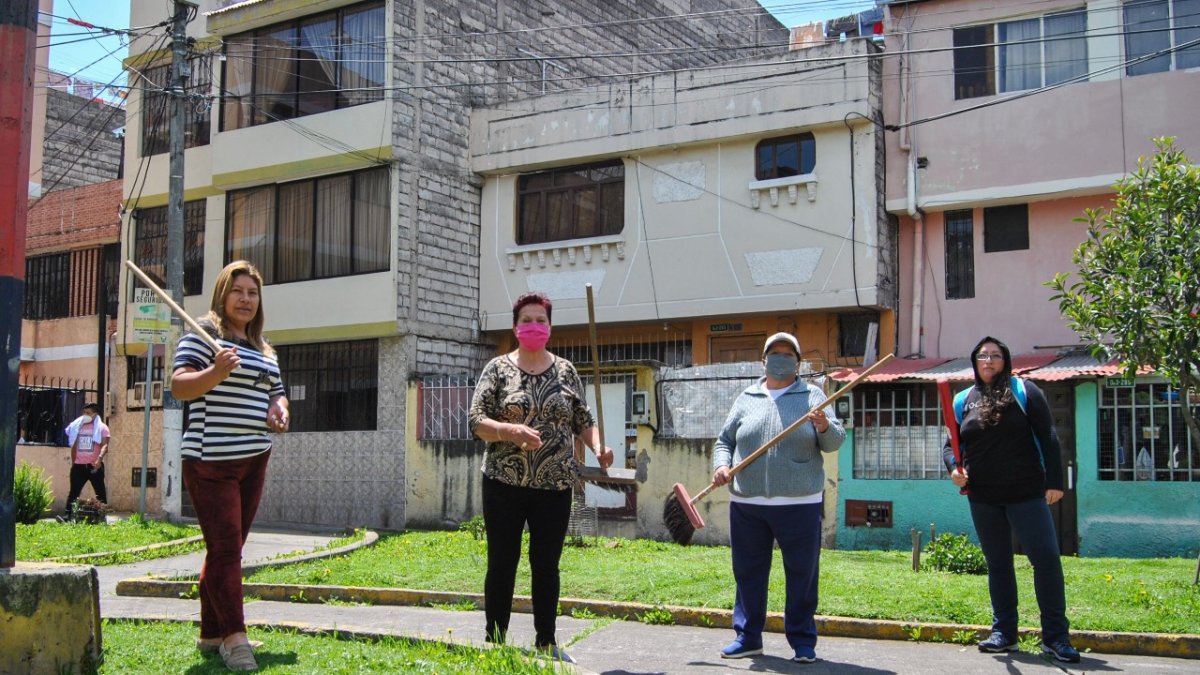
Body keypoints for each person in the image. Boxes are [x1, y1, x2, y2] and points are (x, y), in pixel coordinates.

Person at [468, 291, 614, 664]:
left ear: (550, 327)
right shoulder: (497, 369)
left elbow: (584, 420)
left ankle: (546, 641)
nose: (534, 325)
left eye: (541, 320)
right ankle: (495, 639)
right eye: (527, 319)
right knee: (502, 561)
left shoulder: (565, 370)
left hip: (555, 484)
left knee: (546, 564)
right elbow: (476, 421)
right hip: (503, 483)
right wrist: (509, 431)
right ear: (516, 327)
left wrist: (599, 447)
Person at [171, 260, 289, 672]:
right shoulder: (202, 336)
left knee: (228, 550)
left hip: (254, 457)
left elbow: (277, 392)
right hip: (210, 460)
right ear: (223, 294)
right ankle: (235, 639)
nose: (245, 299)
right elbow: (179, 386)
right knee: (225, 550)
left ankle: (209, 634)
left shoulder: (264, 349)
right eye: (238, 291)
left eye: (252, 293)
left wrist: (279, 409)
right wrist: (215, 371)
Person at [943, 336, 1079, 663]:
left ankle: (1056, 638)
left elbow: (1048, 436)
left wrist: (1054, 482)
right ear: (974, 362)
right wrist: (953, 469)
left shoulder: (1024, 392)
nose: (988, 361)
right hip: (983, 496)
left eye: (995, 355)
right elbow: (951, 446)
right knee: (999, 564)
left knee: (1045, 560)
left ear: (1005, 360)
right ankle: (1004, 633)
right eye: (982, 356)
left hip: (1026, 492)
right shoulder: (963, 399)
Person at [711, 332, 845, 664]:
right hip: (748, 503)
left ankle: (802, 640)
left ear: (798, 363)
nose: (780, 358)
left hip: (799, 503)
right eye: (774, 353)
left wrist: (824, 425)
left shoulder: (813, 395)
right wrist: (722, 465)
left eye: (788, 354)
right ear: (764, 361)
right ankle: (748, 637)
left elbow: (834, 442)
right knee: (748, 572)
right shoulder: (747, 397)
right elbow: (724, 440)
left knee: (802, 573)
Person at [64, 402, 110, 517]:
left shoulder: (102, 428)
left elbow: (105, 445)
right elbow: (74, 446)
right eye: (84, 412)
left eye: (88, 413)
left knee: (100, 493)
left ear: (94, 414)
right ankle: (67, 515)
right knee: (74, 493)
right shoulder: (77, 426)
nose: (85, 415)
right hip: (79, 466)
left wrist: (99, 459)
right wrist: (75, 463)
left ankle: (102, 516)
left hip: (94, 466)